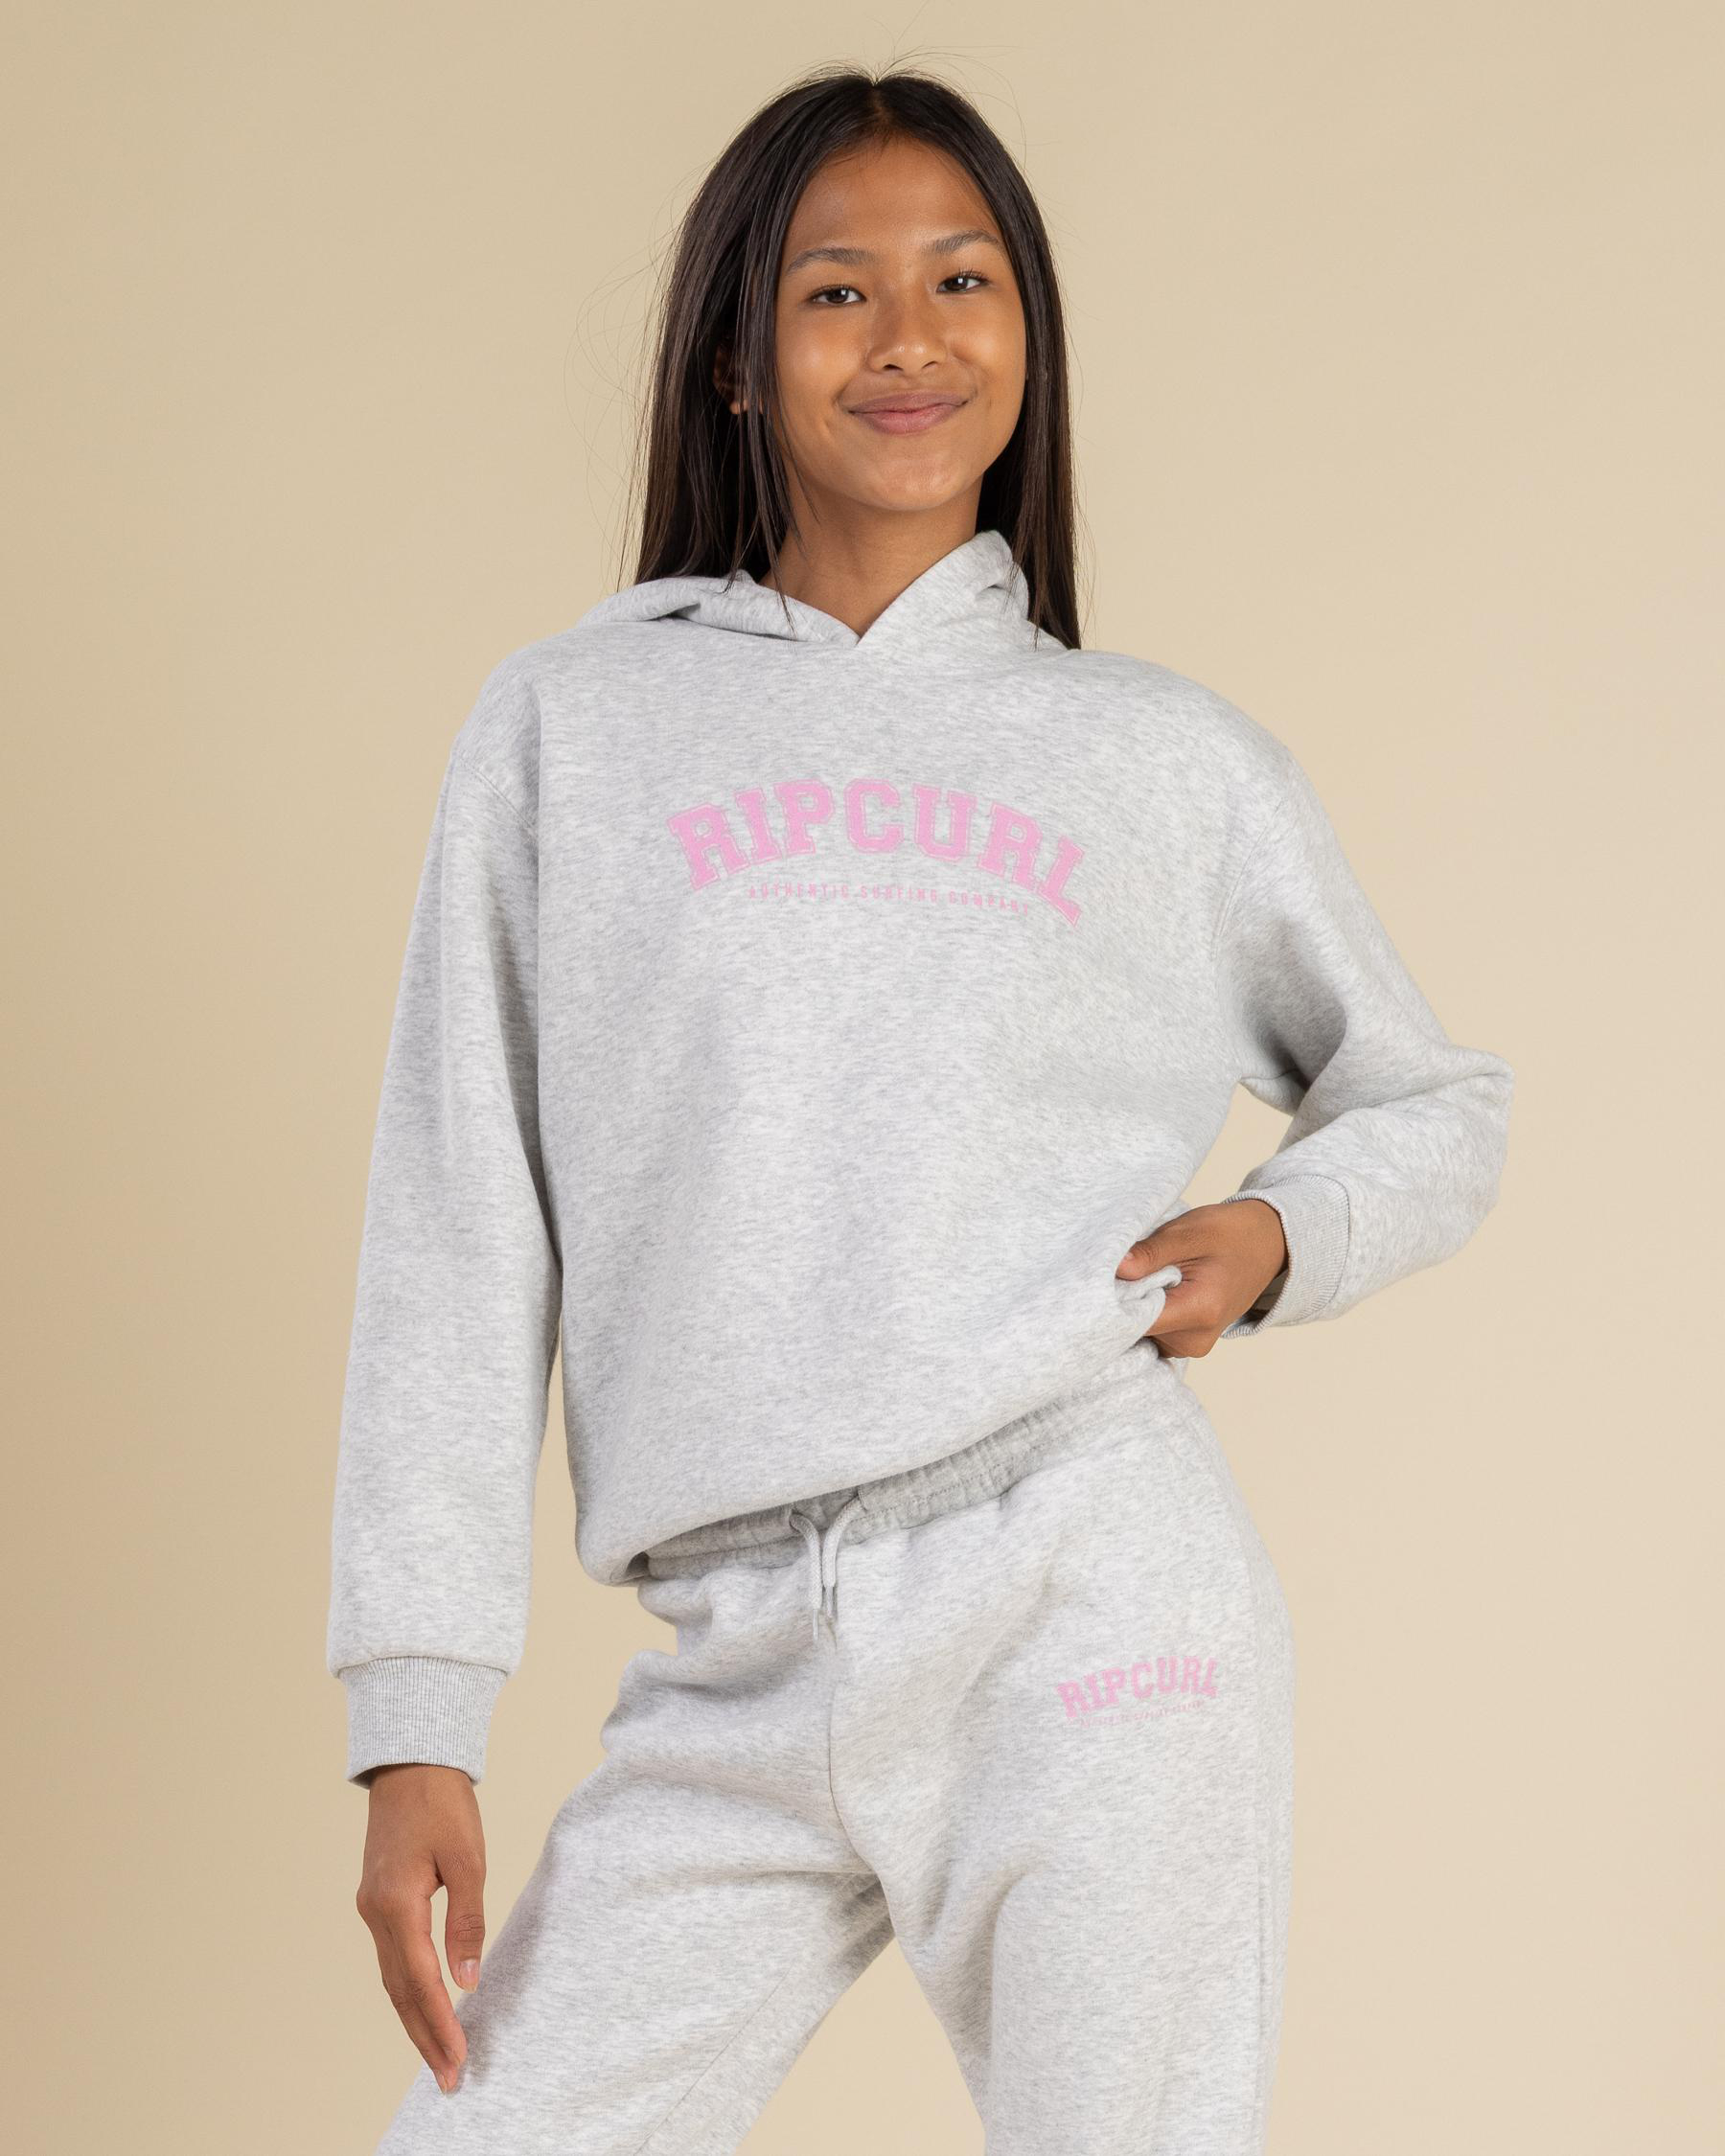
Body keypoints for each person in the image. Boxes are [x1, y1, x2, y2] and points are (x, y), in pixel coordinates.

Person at [326, 63, 1513, 2156]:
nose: (909, 339)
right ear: (734, 358)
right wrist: (415, 1716)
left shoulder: (1159, 758)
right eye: (837, 291)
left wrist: (1281, 1235)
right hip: (735, 1645)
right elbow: (456, 1221)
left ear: (1026, 338)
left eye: (964, 281)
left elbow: (1434, 1100)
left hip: (1088, 1591)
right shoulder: (572, 729)